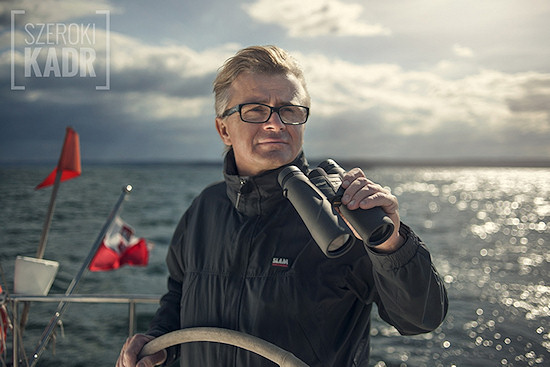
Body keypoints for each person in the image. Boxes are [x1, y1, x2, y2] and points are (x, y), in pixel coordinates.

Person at [116, 45, 448, 367]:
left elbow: (420, 319)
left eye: (289, 110)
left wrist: (391, 243)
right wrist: (158, 342)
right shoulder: (204, 209)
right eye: (255, 109)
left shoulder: (343, 214)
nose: (276, 124)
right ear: (223, 129)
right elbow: (178, 295)